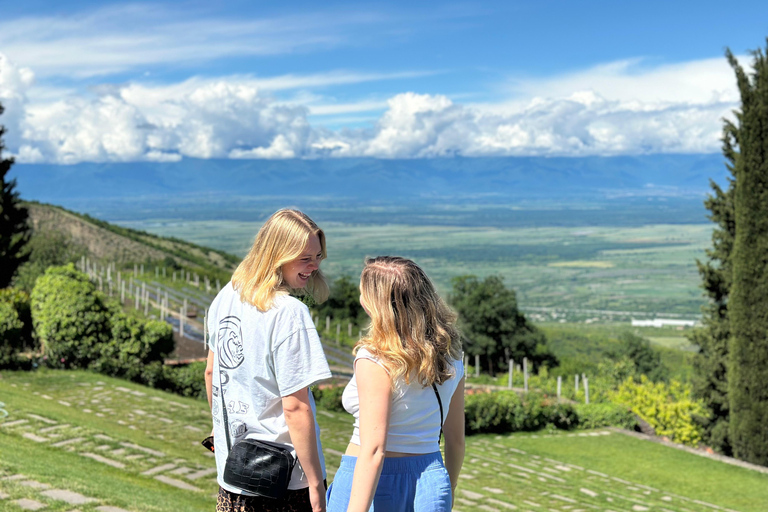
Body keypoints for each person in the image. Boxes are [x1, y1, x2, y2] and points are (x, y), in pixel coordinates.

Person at [205, 208, 332, 512]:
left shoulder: (228, 295)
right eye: (305, 258)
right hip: (285, 480)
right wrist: (316, 483)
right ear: (279, 254)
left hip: (233, 469)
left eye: (318, 257)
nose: (314, 266)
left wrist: (220, 431)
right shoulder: (289, 313)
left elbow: (211, 372)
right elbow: (295, 406)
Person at [327, 256, 465, 512]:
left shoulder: (374, 358)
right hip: (430, 480)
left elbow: (374, 449)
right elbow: (455, 439)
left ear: (377, 304)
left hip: (370, 484)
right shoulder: (452, 356)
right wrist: (448, 489)